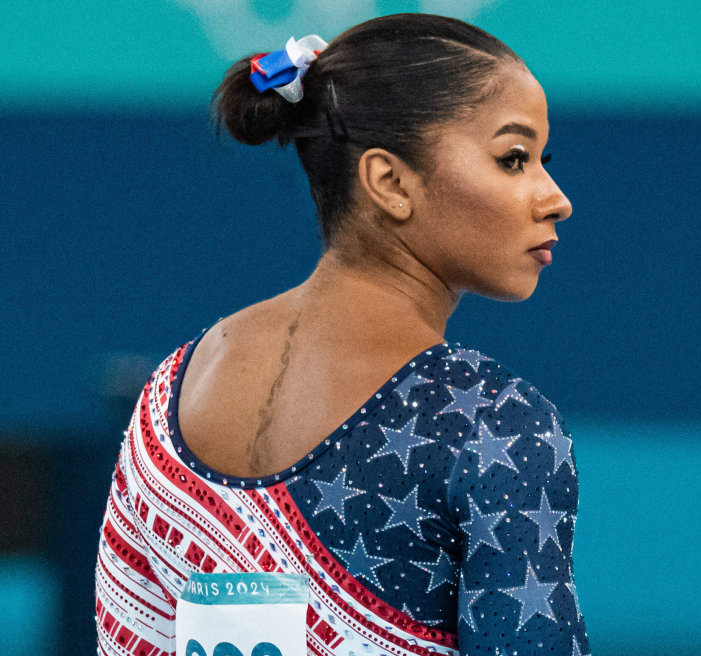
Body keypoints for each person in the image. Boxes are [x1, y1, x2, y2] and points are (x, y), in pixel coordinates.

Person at [93, 12, 590, 656]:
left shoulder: (171, 389)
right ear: (390, 182)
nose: (555, 199)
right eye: (514, 159)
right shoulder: (493, 424)